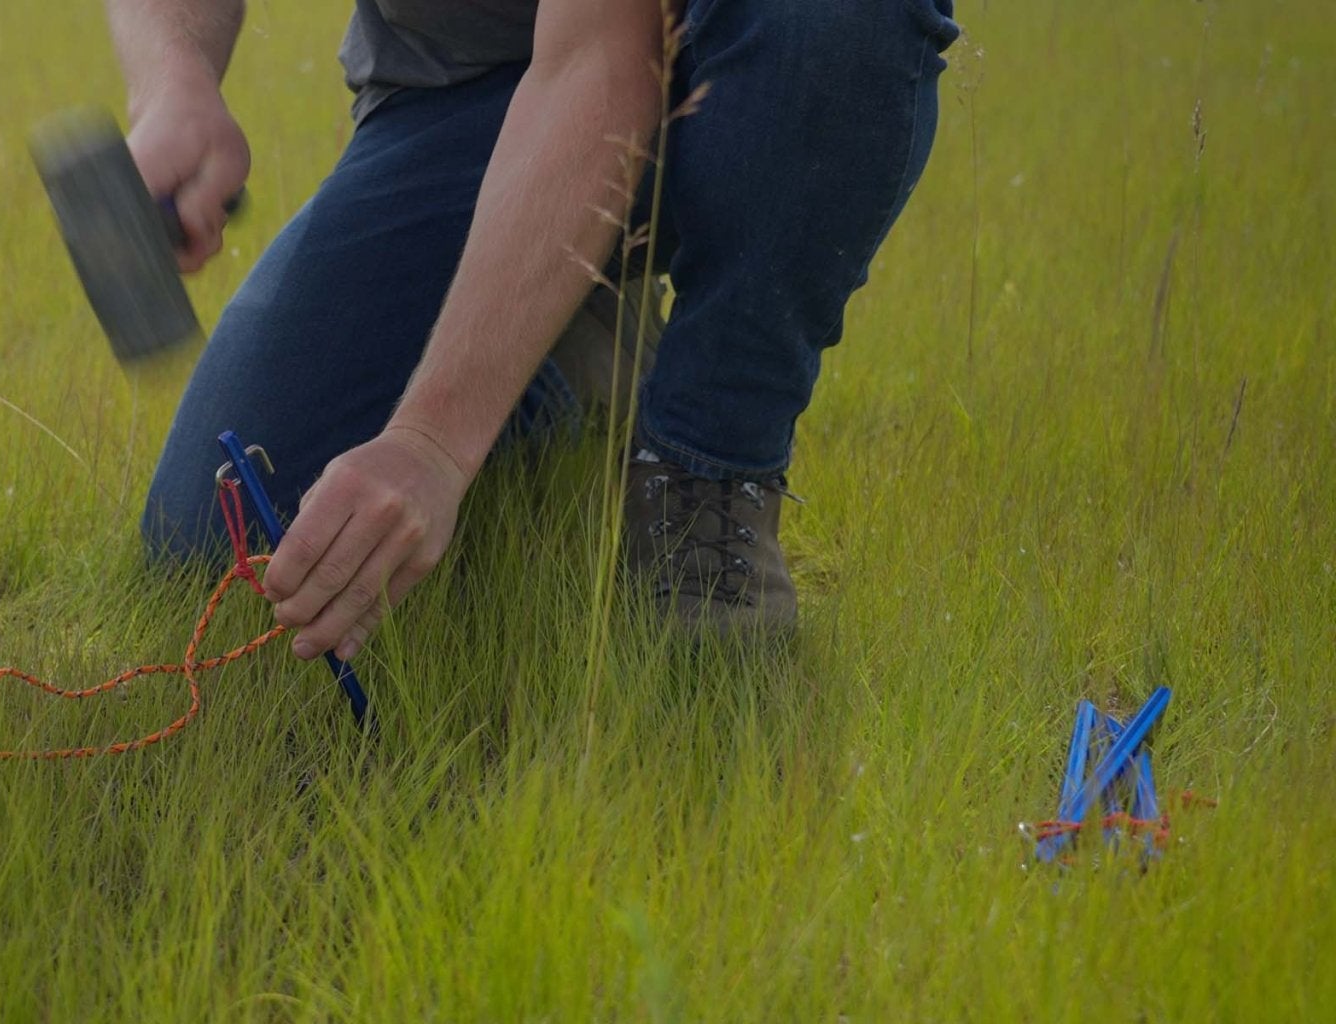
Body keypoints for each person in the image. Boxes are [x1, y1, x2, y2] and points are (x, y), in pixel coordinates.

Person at [111, 0, 960, 660]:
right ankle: (575, 331)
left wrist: (432, 445)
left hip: (727, 53)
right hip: (455, 101)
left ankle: (710, 474)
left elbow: (599, 54)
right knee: (214, 536)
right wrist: (175, 80)